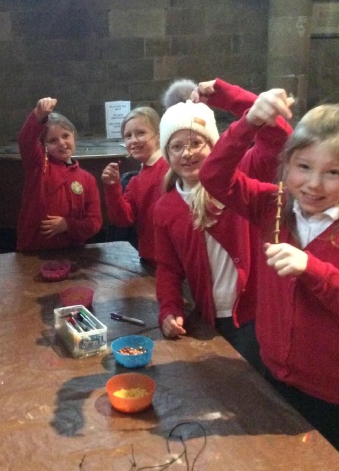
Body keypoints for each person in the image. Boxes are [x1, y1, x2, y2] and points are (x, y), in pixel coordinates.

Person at [199, 91, 339, 464]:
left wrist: (313, 269)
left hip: (332, 392)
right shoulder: (272, 205)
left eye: (333, 172)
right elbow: (213, 176)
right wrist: (249, 122)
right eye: (304, 166)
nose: (314, 184)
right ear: (286, 165)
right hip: (270, 372)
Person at [154, 79, 292, 372]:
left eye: (196, 143)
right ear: (167, 154)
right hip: (209, 319)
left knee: (258, 388)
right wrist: (169, 308)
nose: (187, 153)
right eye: (176, 146)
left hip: (255, 316)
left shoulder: (242, 175)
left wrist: (232, 98)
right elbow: (168, 268)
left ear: (214, 145)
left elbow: (278, 141)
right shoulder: (165, 207)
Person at [16, 97, 102, 252]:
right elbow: (26, 141)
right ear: (44, 145)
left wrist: (67, 225)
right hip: (36, 250)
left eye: (65, 136)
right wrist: (38, 114)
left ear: (73, 136)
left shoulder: (87, 179)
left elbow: (94, 222)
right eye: (53, 140)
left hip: (72, 251)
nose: (62, 143)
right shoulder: (39, 166)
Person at [101, 106, 167, 266]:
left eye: (141, 133)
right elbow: (123, 219)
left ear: (158, 135)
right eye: (128, 136)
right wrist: (112, 187)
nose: (134, 140)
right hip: (150, 261)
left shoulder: (171, 167)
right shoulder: (136, 181)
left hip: (175, 261)